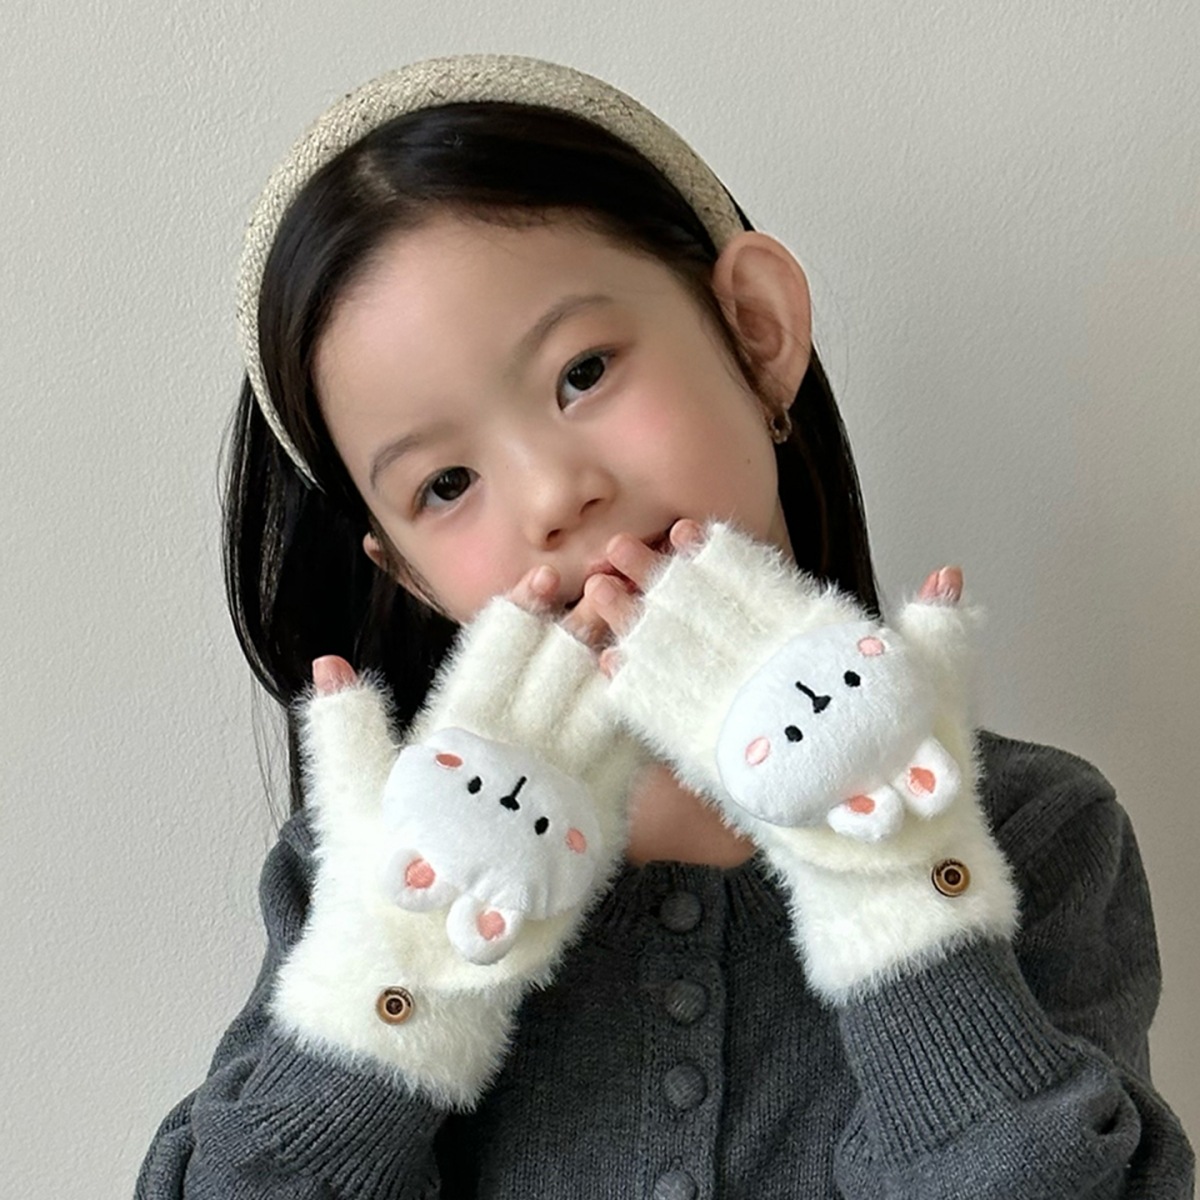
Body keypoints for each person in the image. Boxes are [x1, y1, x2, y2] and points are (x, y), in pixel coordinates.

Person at [135, 54, 1194, 1199]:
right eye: (446, 484)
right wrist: (406, 966)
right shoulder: (368, 874)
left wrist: (884, 872)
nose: (552, 497)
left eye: (581, 371)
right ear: (415, 577)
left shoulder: (1036, 831)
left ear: (755, 327)